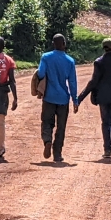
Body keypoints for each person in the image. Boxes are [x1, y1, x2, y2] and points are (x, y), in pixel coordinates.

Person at [35, 34, 79, 162]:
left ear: (53, 44)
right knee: (61, 126)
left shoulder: (46, 57)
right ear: (64, 44)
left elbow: (41, 73)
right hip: (63, 99)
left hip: (49, 97)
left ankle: (47, 140)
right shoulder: (70, 61)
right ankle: (57, 153)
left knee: (47, 122)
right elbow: (72, 82)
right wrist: (75, 100)